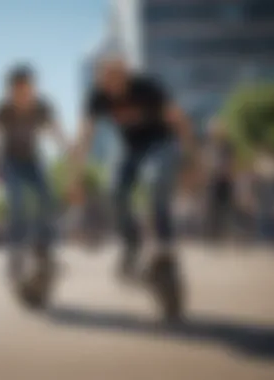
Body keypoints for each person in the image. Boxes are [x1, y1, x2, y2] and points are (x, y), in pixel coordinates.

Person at [71, 56, 196, 318]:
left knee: (156, 179)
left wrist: (189, 160)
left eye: (116, 80)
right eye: (105, 82)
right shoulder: (98, 97)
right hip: (130, 149)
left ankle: (164, 243)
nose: (111, 87)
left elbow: (180, 120)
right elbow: (85, 135)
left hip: (161, 143)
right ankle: (131, 243)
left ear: (125, 75)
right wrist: (76, 176)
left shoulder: (146, 89)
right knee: (114, 188)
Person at [0, 64, 67, 305]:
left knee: (47, 198)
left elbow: (55, 130)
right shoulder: (3, 110)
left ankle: (44, 248)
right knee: (17, 201)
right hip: (10, 161)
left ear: (33, 88)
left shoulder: (42, 107)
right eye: (18, 91)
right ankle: (17, 251)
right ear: (11, 91)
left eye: (28, 90)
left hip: (33, 160)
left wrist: (67, 149)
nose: (23, 96)